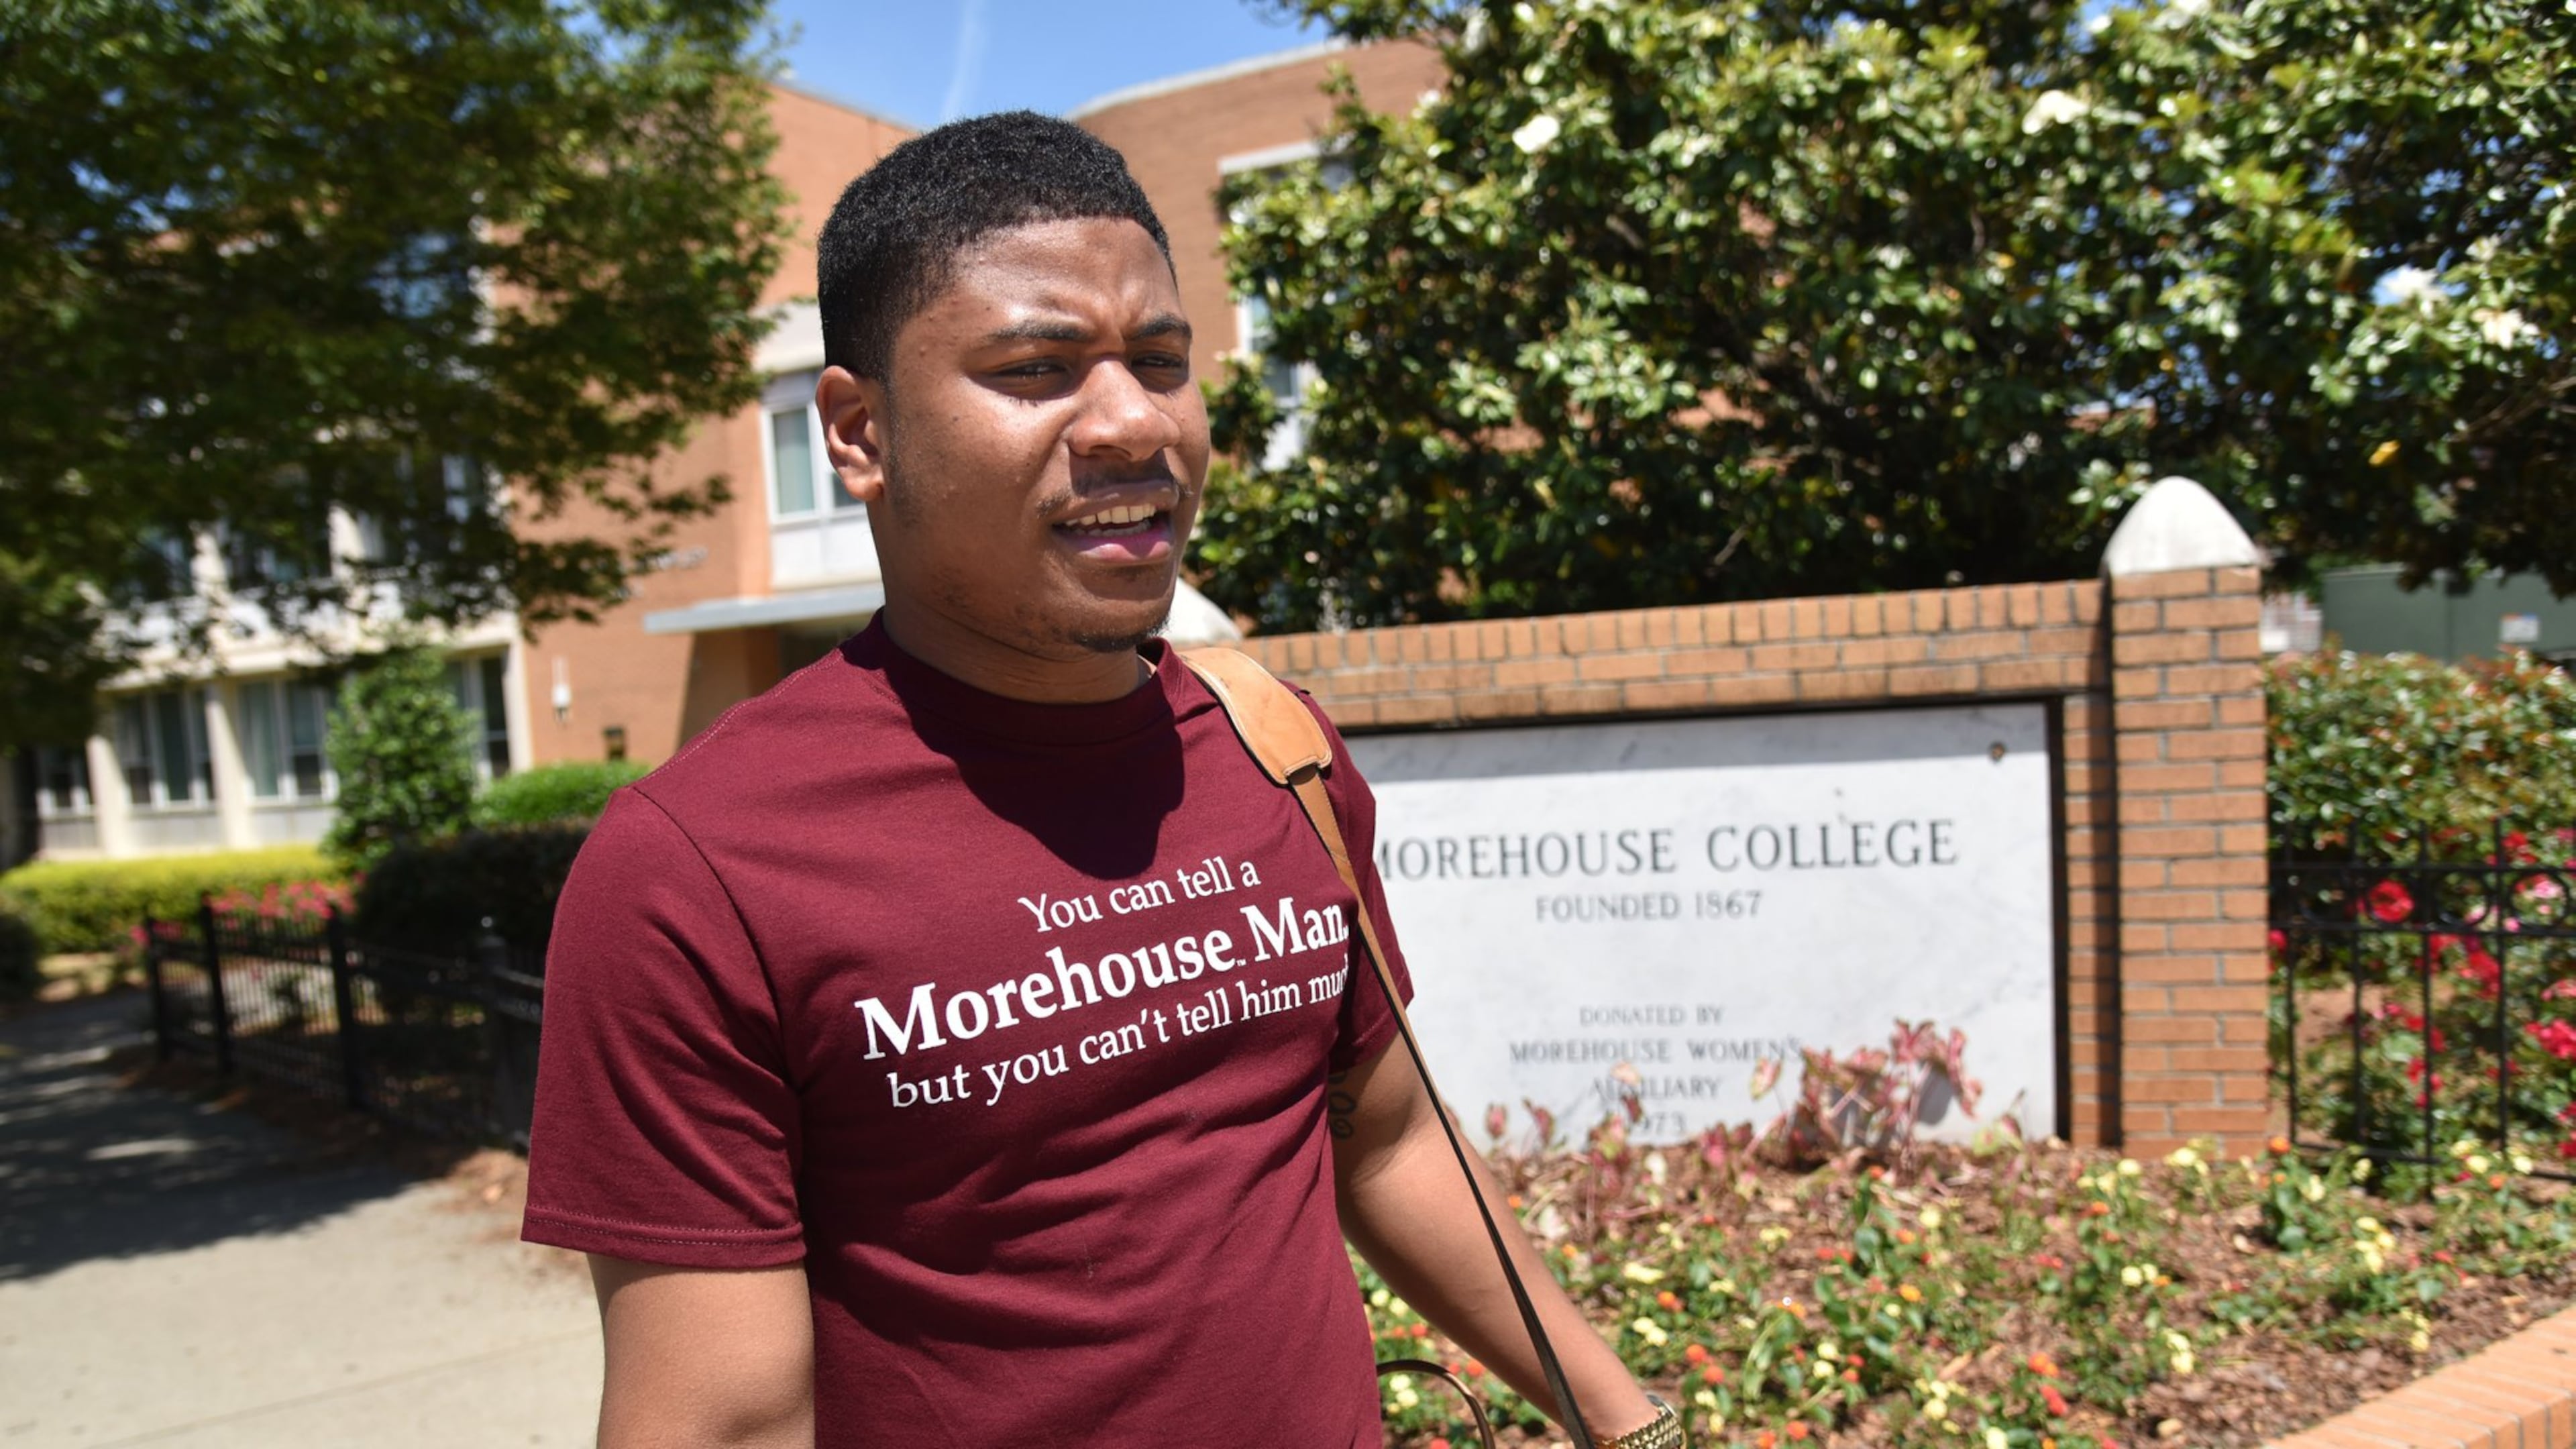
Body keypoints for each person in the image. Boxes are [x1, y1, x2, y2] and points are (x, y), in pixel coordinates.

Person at [523, 111, 1676, 1449]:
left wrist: (1632, 1426)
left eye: (1162, 361)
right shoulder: (695, 871)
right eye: (1037, 369)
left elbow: (1391, 1144)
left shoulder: (1277, 751)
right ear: (859, 431)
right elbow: (721, 1420)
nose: (1135, 421)